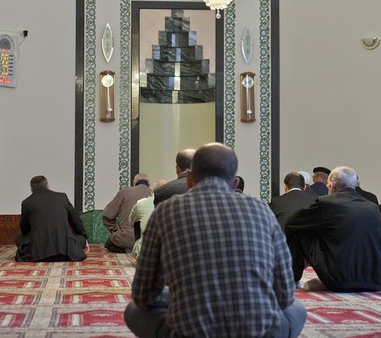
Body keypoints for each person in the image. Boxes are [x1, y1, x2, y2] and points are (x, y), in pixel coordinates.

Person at [124, 143, 306, 337]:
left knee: (134, 310)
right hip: (257, 333)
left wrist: (180, 295)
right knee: (297, 308)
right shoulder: (261, 210)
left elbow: (144, 294)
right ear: (235, 183)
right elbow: (285, 293)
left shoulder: (165, 211)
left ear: (190, 179)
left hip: (188, 333)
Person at [286, 166, 381, 292]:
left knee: (300, 229)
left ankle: (292, 279)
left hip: (340, 280)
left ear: (332, 184)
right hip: (376, 281)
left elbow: (292, 223)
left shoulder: (328, 203)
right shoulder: (373, 207)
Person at [15, 175, 88, 262]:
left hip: (38, 254)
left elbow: (24, 229)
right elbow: (75, 220)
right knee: (81, 239)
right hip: (66, 252)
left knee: (19, 238)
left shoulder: (27, 202)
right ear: (48, 186)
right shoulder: (62, 197)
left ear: (31, 189)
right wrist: (84, 237)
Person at [102, 174, 151, 253]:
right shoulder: (154, 193)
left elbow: (107, 215)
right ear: (149, 185)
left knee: (109, 244)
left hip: (125, 239)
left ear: (134, 183)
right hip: (149, 241)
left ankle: (127, 249)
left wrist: (114, 230)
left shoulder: (124, 192)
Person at [129, 179, 166, 260]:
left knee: (137, 221)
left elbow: (131, 222)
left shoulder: (142, 203)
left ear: (152, 191)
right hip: (168, 253)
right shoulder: (173, 202)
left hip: (146, 252)